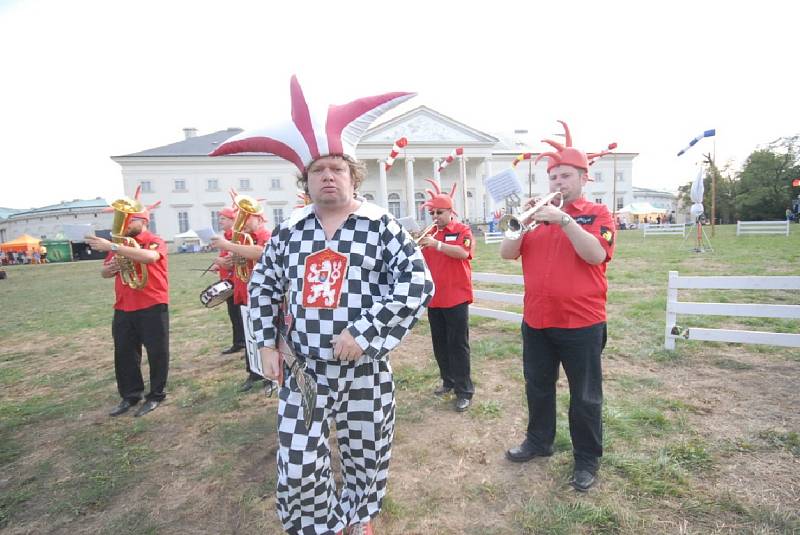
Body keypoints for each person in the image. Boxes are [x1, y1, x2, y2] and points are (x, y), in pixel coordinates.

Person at [211, 76, 432, 535]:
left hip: (363, 369)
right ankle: (318, 524)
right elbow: (264, 288)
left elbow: (416, 283)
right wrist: (265, 345)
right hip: (303, 371)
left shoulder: (380, 226)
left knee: (366, 452)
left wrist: (366, 332)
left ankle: (358, 517)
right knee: (298, 461)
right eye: (317, 170)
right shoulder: (290, 231)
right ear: (305, 180)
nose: (327, 176)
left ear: (353, 175)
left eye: (336, 168)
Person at [500, 121, 615, 492]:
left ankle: (586, 458)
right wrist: (523, 223)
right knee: (538, 386)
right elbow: (506, 254)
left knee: (584, 395)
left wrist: (564, 220)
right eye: (552, 177)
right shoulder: (535, 217)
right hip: (536, 319)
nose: (557, 183)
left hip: (581, 322)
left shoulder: (597, 214)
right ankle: (539, 441)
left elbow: (595, 254)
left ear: (583, 178)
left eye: (565, 175)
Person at [85, 195, 169, 418]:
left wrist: (114, 246)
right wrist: (111, 266)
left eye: (131, 220)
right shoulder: (120, 243)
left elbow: (151, 257)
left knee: (157, 352)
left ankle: (156, 395)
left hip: (152, 302)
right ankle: (130, 395)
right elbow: (104, 273)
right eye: (125, 219)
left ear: (144, 222)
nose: (125, 224)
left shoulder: (154, 239)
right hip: (123, 305)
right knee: (124, 353)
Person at [418, 179, 475, 412]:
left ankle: (464, 390)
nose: (435, 217)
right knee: (440, 344)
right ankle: (448, 381)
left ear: (450, 212)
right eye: (432, 213)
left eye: (439, 212)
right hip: (435, 298)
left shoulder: (462, 230)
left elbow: (463, 252)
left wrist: (436, 245)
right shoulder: (430, 233)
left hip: (457, 297)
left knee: (458, 345)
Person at [211, 206, 275, 394]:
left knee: (266, 337)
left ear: (259, 219)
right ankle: (254, 372)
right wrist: (232, 259)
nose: (242, 222)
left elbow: (260, 253)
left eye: (246, 217)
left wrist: (229, 246)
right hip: (244, 291)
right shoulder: (241, 239)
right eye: (240, 217)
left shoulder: (266, 234)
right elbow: (242, 257)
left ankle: (269, 376)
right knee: (249, 336)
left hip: (263, 294)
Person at [212, 207, 246, 355]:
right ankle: (238, 341)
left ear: (233, 220)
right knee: (233, 315)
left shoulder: (234, 236)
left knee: (239, 315)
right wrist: (217, 264)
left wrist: (219, 261)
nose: (220, 221)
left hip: (235, 281)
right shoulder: (225, 236)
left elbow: (230, 260)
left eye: (223, 218)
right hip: (227, 280)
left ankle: (243, 342)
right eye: (220, 218)